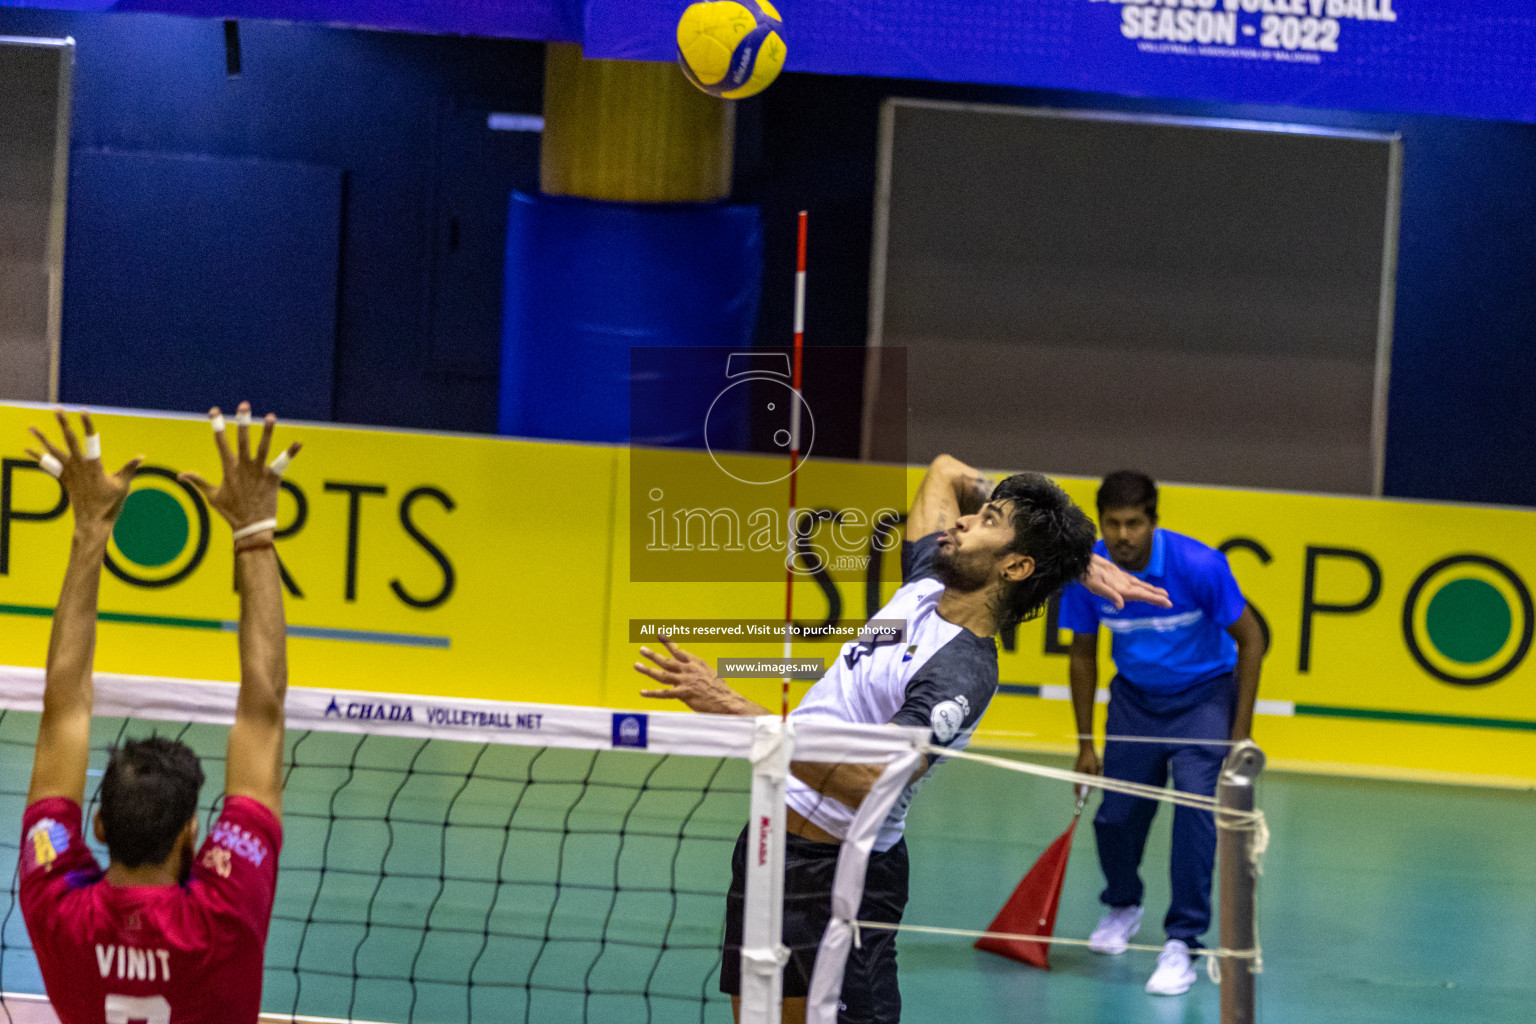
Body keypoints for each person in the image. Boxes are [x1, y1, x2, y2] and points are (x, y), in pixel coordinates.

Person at [633, 454, 1169, 1024]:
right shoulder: (925, 585)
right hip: (768, 844)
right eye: (978, 513)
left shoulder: (960, 672)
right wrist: (1078, 560)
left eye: (986, 521)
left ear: (1014, 567)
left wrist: (738, 710)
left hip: (843, 873)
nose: (961, 521)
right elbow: (944, 471)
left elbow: (870, 786)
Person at [19, 405, 300, 1024]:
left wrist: (89, 529)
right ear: (192, 836)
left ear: (97, 827)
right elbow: (264, 712)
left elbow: (62, 708)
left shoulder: (54, 908)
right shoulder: (224, 914)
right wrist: (253, 532)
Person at [1061, 469, 1265, 997]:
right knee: (1115, 817)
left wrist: (1237, 737)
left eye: (1134, 523)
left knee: (1195, 814)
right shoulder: (1089, 572)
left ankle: (1183, 942)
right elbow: (1082, 655)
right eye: (1113, 524)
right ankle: (1123, 905)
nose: (1123, 535)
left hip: (1203, 697)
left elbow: (1253, 638)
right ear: (1100, 522)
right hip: (1134, 701)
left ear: (1153, 521)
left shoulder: (1198, 565)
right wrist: (1085, 744)